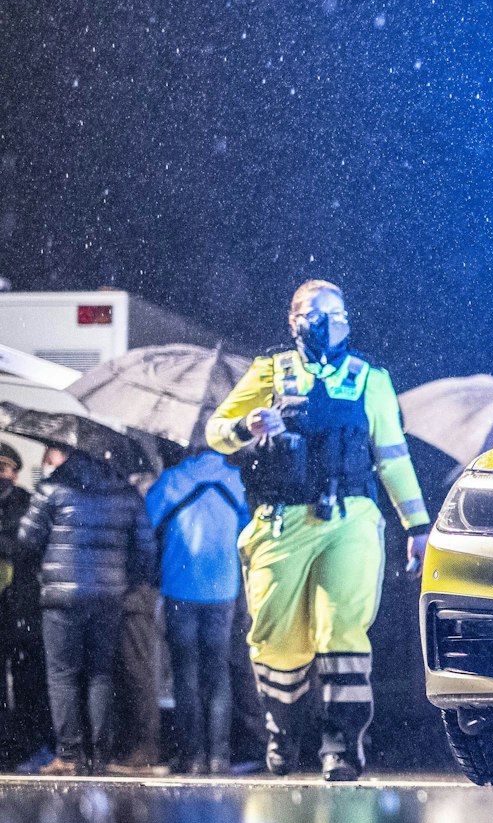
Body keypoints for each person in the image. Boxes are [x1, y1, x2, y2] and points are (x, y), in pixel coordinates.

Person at [208, 281, 430, 781]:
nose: (330, 321)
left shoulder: (370, 379)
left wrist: (417, 526)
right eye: (316, 312)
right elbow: (216, 431)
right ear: (294, 321)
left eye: (338, 312)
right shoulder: (270, 371)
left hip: (350, 519)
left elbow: (393, 457)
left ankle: (341, 746)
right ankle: (282, 730)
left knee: (341, 627)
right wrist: (249, 426)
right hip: (280, 522)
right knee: (278, 640)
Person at [11, 444, 157, 775]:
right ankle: (99, 754)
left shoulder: (52, 488)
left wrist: (45, 571)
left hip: (61, 598)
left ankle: (68, 754)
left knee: (62, 674)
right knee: (100, 673)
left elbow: (27, 540)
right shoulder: (125, 492)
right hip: (108, 597)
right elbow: (146, 548)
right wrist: (124, 580)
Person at [145, 437, 250, 775]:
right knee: (218, 673)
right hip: (224, 589)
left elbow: (147, 522)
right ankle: (220, 756)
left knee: (185, 673)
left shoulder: (173, 479)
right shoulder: (235, 480)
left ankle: (192, 756)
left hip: (180, 586)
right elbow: (248, 530)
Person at [0, 443, 53, 765]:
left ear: (15, 473)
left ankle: (27, 743)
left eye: (4, 468)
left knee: (27, 677)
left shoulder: (27, 503)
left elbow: (28, 545)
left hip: (21, 603)